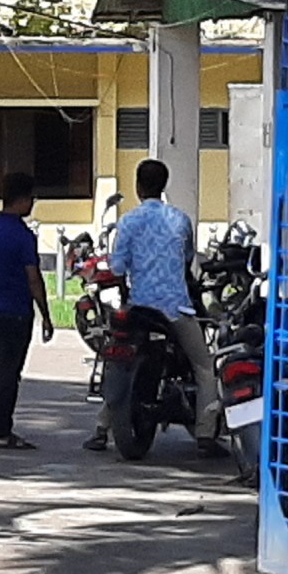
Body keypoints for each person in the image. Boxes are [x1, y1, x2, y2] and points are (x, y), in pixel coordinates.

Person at [83, 159, 225, 457]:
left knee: (120, 361)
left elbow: (118, 267)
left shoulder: (128, 222)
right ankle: (205, 433)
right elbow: (187, 258)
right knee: (204, 366)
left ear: (138, 186)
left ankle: (101, 428)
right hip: (175, 308)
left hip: (139, 307)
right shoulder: (180, 220)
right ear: (164, 185)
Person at [0, 172, 55, 450]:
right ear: (22, 199)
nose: (33, 204)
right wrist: (45, 314)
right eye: (32, 198)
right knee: (10, 372)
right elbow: (33, 278)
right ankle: (2, 431)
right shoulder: (23, 236)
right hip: (16, 309)